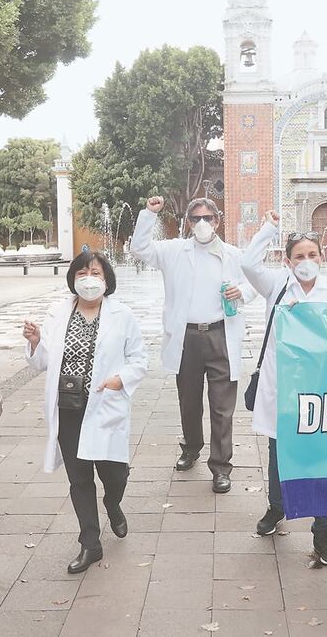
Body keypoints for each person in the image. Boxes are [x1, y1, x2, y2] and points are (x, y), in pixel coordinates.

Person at [23, 251, 147, 573]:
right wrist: (36, 342)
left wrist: (121, 379)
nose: (88, 279)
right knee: (79, 479)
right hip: (68, 407)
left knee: (114, 474)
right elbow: (43, 363)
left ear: (106, 280)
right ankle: (90, 543)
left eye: (95, 273)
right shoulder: (58, 313)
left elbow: (139, 359)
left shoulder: (122, 315)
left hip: (105, 403)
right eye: (81, 274)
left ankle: (113, 503)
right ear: (72, 279)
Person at [241, 210, 327, 566]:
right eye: (298, 256)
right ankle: (277, 507)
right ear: (287, 261)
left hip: (322, 388)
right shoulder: (276, 287)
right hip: (282, 386)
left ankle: (322, 529)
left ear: (323, 257)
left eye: (312, 255)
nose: (306, 262)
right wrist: (269, 227)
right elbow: (247, 262)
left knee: (322, 454)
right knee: (278, 451)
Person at [131, 196, 256, 493]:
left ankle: (221, 466)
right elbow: (139, 248)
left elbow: (256, 282)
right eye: (196, 218)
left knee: (222, 407)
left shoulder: (233, 254)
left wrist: (243, 292)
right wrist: (149, 214)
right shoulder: (174, 251)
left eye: (208, 218)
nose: (202, 224)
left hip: (221, 335)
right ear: (188, 222)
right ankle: (191, 447)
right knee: (188, 402)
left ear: (218, 221)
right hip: (186, 337)